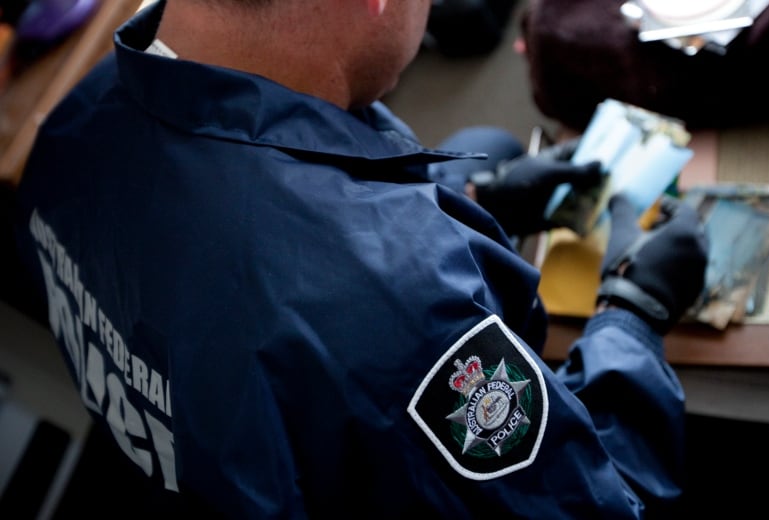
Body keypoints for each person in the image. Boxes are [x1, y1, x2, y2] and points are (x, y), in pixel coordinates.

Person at [12, 0, 709, 518]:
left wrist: (464, 196)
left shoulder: (78, 118)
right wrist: (634, 310)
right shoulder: (403, 310)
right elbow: (600, 503)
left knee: (485, 142)